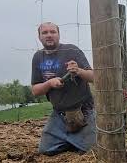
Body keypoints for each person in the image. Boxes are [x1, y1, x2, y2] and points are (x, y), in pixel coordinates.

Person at [31, 22, 96, 155]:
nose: (49, 35)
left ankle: (78, 140)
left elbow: (94, 77)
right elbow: (35, 90)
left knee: (93, 151)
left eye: (53, 32)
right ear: (39, 37)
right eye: (45, 33)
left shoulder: (71, 50)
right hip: (59, 114)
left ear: (58, 35)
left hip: (83, 111)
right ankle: (73, 141)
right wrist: (49, 83)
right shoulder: (38, 57)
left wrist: (78, 71)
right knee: (45, 150)